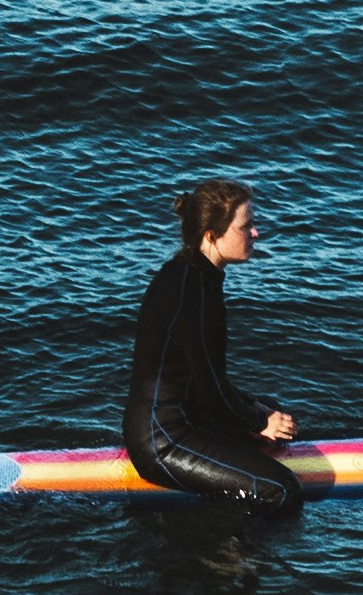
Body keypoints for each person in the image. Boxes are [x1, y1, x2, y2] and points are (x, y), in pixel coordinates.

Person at [122, 179, 303, 508]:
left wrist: (256, 411)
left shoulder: (189, 275)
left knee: (278, 419)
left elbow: (207, 380)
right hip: (164, 442)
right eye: (245, 227)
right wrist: (256, 420)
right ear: (211, 236)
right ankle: (225, 558)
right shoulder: (194, 294)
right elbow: (211, 388)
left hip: (189, 418)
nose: (255, 233)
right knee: (282, 491)